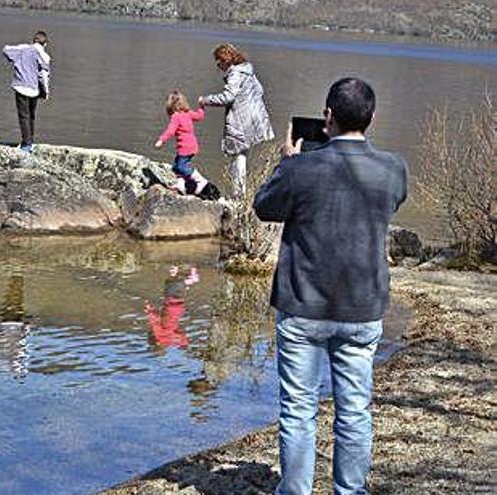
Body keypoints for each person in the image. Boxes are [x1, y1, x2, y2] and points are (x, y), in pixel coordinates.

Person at [253, 78, 408, 495]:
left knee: (299, 411)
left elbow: (263, 207)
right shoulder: (393, 168)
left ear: (327, 117)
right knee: (354, 411)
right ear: (371, 118)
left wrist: (286, 161)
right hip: (362, 308)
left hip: (304, 307)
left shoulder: (300, 168)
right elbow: (389, 201)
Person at [199, 43, 274, 198]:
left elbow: (228, 97)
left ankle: (238, 195)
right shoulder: (248, 70)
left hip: (241, 120)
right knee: (242, 155)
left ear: (226, 59)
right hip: (255, 118)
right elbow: (260, 90)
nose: (217, 64)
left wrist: (205, 100)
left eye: (218, 60)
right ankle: (241, 194)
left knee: (238, 156)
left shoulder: (235, 73)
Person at [155, 90, 216, 197]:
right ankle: (180, 184)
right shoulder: (188, 113)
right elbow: (200, 116)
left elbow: (170, 131)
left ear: (171, 107)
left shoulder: (176, 117)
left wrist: (161, 140)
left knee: (182, 167)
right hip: (192, 146)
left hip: (185, 148)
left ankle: (200, 181)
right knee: (176, 167)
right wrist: (201, 106)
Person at [2, 31, 51, 153]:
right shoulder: (44, 56)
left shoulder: (23, 50)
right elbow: (43, 75)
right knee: (31, 116)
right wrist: (46, 91)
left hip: (21, 87)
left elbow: (6, 50)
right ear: (45, 44)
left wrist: (23, 47)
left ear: (33, 40)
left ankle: (26, 144)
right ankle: (30, 141)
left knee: (23, 116)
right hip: (34, 89)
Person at [144, 265, 199, 349]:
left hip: (179, 309)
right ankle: (190, 278)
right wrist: (149, 310)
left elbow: (180, 336)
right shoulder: (159, 334)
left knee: (177, 288)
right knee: (171, 285)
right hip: (170, 305)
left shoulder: (170, 339)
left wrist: (184, 344)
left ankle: (178, 272)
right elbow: (155, 320)